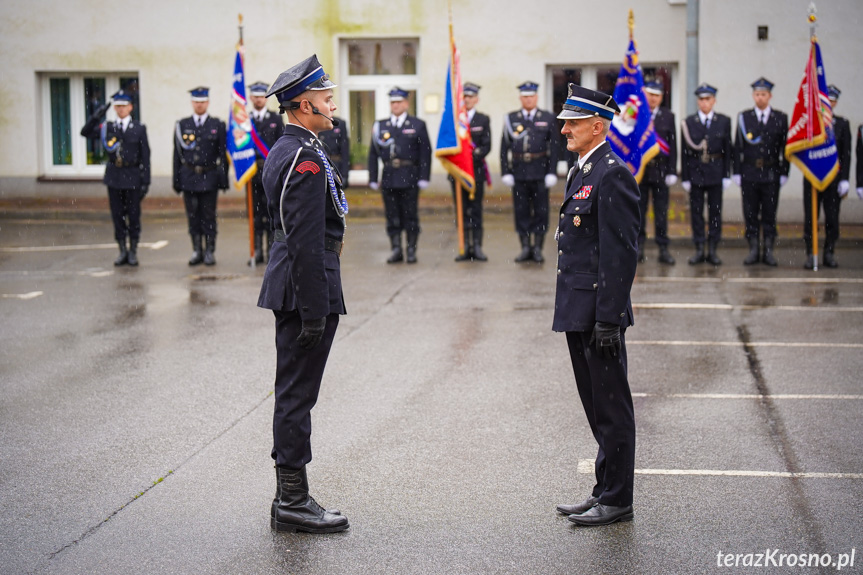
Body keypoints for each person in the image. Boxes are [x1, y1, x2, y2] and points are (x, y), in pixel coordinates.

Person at [257, 54, 350, 534]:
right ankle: (292, 500)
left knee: (295, 394)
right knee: (296, 397)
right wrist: (316, 310)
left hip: (300, 286)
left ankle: (289, 498)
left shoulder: (295, 147)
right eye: (326, 97)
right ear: (303, 103)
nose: (332, 104)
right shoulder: (303, 156)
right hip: (303, 290)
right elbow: (305, 240)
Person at [552, 84, 639, 527]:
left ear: (597, 126)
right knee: (595, 404)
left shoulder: (612, 174)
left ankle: (618, 499)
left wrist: (608, 318)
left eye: (573, 122)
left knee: (612, 406)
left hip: (598, 314)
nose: (564, 128)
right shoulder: (582, 170)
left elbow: (620, 254)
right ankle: (603, 489)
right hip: (577, 308)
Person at [80, 90, 150, 267]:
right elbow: (85, 132)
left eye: (124, 106)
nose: (121, 109)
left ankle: (133, 251)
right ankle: (122, 251)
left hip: (133, 177)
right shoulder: (108, 128)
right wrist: (97, 116)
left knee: (133, 216)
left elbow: (146, 156)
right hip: (114, 178)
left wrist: (146, 181)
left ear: (131, 107)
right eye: (118, 106)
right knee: (117, 216)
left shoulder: (139, 128)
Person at [368, 88, 432, 264]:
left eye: (398, 102)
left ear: (406, 104)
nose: (395, 105)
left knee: (410, 215)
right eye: (392, 102)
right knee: (391, 215)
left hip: (410, 177)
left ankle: (411, 250)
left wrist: (424, 176)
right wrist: (373, 178)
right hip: (389, 177)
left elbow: (425, 152)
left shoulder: (417, 124)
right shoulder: (381, 125)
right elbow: (373, 154)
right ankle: (396, 249)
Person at [732, 77, 789, 267]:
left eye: (763, 94)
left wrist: (784, 172)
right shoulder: (744, 117)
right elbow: (737, 147)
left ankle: (769, 251)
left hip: (771, 172)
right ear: (753, 95)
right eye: (757, 94)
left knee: (769, 214)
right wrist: (737, 172)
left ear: (770, 96)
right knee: (750, 213)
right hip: (749, 173)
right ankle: (754, 249)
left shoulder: (780, 118)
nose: (760, 98)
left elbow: (784, 148)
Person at [500, 81, 559, 263]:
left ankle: (538, 248)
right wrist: (505, 171)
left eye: (531, 96)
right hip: (519, 172)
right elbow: (504, 148)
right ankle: (525, 247)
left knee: (541, 211)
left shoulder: (548, 118)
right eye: (525, 96)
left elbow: (555, 147)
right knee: (521, 210)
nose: (528, 99)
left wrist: (552, 172)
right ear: (520, 98)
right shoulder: (512, 118)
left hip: (540, 171)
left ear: (537, 97)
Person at [173, 87, 229, 266]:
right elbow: (177, 154)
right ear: (192, 103)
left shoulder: (217, 125)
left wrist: (223, 178)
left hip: (209, 177)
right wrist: (176, 179)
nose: (199, 104)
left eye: (203, 101)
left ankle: (210, 251)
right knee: (192, 216)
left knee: (209, 215)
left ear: (208, 103)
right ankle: (197, 249)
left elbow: (222, 153)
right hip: (188, 176)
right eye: (196, 101)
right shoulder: (182, 125)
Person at [680, 83, 733, 265]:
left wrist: (727, 174)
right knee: (696, 213)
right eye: (701, 99)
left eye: (708, 99)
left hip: (716, 171)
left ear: (714, 100)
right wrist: (685, 177)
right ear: (698, 102)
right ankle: (699, 248)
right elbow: (685, 153)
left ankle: (713, 249)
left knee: (715, 213)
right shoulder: (689, 122)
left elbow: (728, 150)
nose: (704, 103)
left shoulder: (723, 121)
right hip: (696, 172)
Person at [803, 85, 852, 269]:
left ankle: (829, 251)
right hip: (813, 178)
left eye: (831, 101)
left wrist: (845, 178)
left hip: (833, 179)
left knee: (832, 218)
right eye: (825, 101)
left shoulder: (842, 124)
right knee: (810, 218)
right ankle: (811, 253)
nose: (828, 104)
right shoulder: (810, 124)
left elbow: (846, 154)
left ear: (835, 102)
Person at [451, 82, 491, 262]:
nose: (467, 100)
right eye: (464, 97)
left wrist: (470, 157)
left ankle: (477, 247)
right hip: (458, 173)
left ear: (476, 99)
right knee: (461, 210)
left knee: (475, 210)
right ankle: (464, 247)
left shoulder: (483, 119)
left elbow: (486, 146)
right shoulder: (454, 120)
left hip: (475, 173)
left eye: (470, 97)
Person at [637, 79, 677, 265]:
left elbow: (673, 145)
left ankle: (663, 248)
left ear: (661, 97)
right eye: (650, 95)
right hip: (641, 170)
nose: (653, 99)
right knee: (639, 211)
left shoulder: (668, 116)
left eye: (657, 95)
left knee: (661, 213)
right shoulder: (636, 114)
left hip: (660, 169)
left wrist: (672, 170)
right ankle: (638, 247)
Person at [248, 81, 284, 264]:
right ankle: (256, 252)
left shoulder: (276, 119)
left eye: (261, 96)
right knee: (255, 215)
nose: (258, 100)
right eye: (255, 96)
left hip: (270, 173)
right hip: (251, 174)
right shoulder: (245, 122)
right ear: (250, 98)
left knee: (271, 213)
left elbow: (281, 145)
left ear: (266, 98)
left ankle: (271, 252)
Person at [318, 115, 350, 189]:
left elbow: (345, 151)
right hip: (321, 165)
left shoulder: (339, 123)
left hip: (336, 165)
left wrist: (345, 174)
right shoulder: (317, 123)